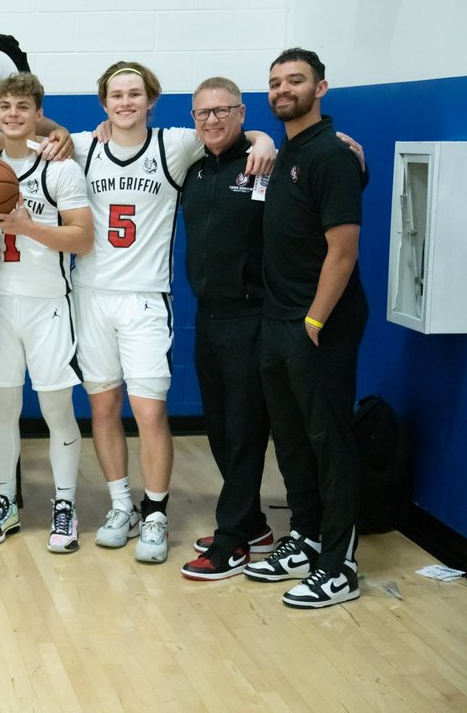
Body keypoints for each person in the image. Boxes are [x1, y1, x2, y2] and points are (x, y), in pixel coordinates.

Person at [68, 61, 275, 565]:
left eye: (134, 94)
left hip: (144, 298)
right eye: (116, 95)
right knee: (102, 408)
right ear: (103, 103)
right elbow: (35, 131)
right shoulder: (83, 146)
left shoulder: (175, 145)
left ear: (152, 100)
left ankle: (156, 512)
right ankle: (122, 506)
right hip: (90, 295)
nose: (125, 102)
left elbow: (228, 129)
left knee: (150, 411)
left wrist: (264, 137)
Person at [245, 48, 368, 610]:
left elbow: (343, 252)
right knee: (291, 438)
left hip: (318, 325)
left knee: (329, 442)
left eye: (295, 80)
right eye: (275, 83)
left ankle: (340, 565)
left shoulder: (332, 155)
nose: (282, 90)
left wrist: (314, 321)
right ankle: (308, 536)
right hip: (278, 320)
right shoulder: (289, 150)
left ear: (320, 88)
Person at [0, 72, 93, 553]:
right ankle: (6, 502)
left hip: (48, 305)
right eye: (5, 107)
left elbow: (82, 239)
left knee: (57, 410)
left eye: (23, 106)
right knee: (3, 410)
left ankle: (65, 505)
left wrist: (28, 226)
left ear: (39, 114)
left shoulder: (59, 167)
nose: (13, 114)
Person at [176, 78, 276, 580]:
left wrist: (264, 139)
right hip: (208, 315)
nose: (212, 120)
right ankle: (253, 524)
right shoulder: (193, 170)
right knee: (217, 426)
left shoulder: (262, 164)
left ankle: (231, 542)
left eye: (222, 110)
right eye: (203, 113)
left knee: (244, 430)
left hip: (251, 316)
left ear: (241, 113)